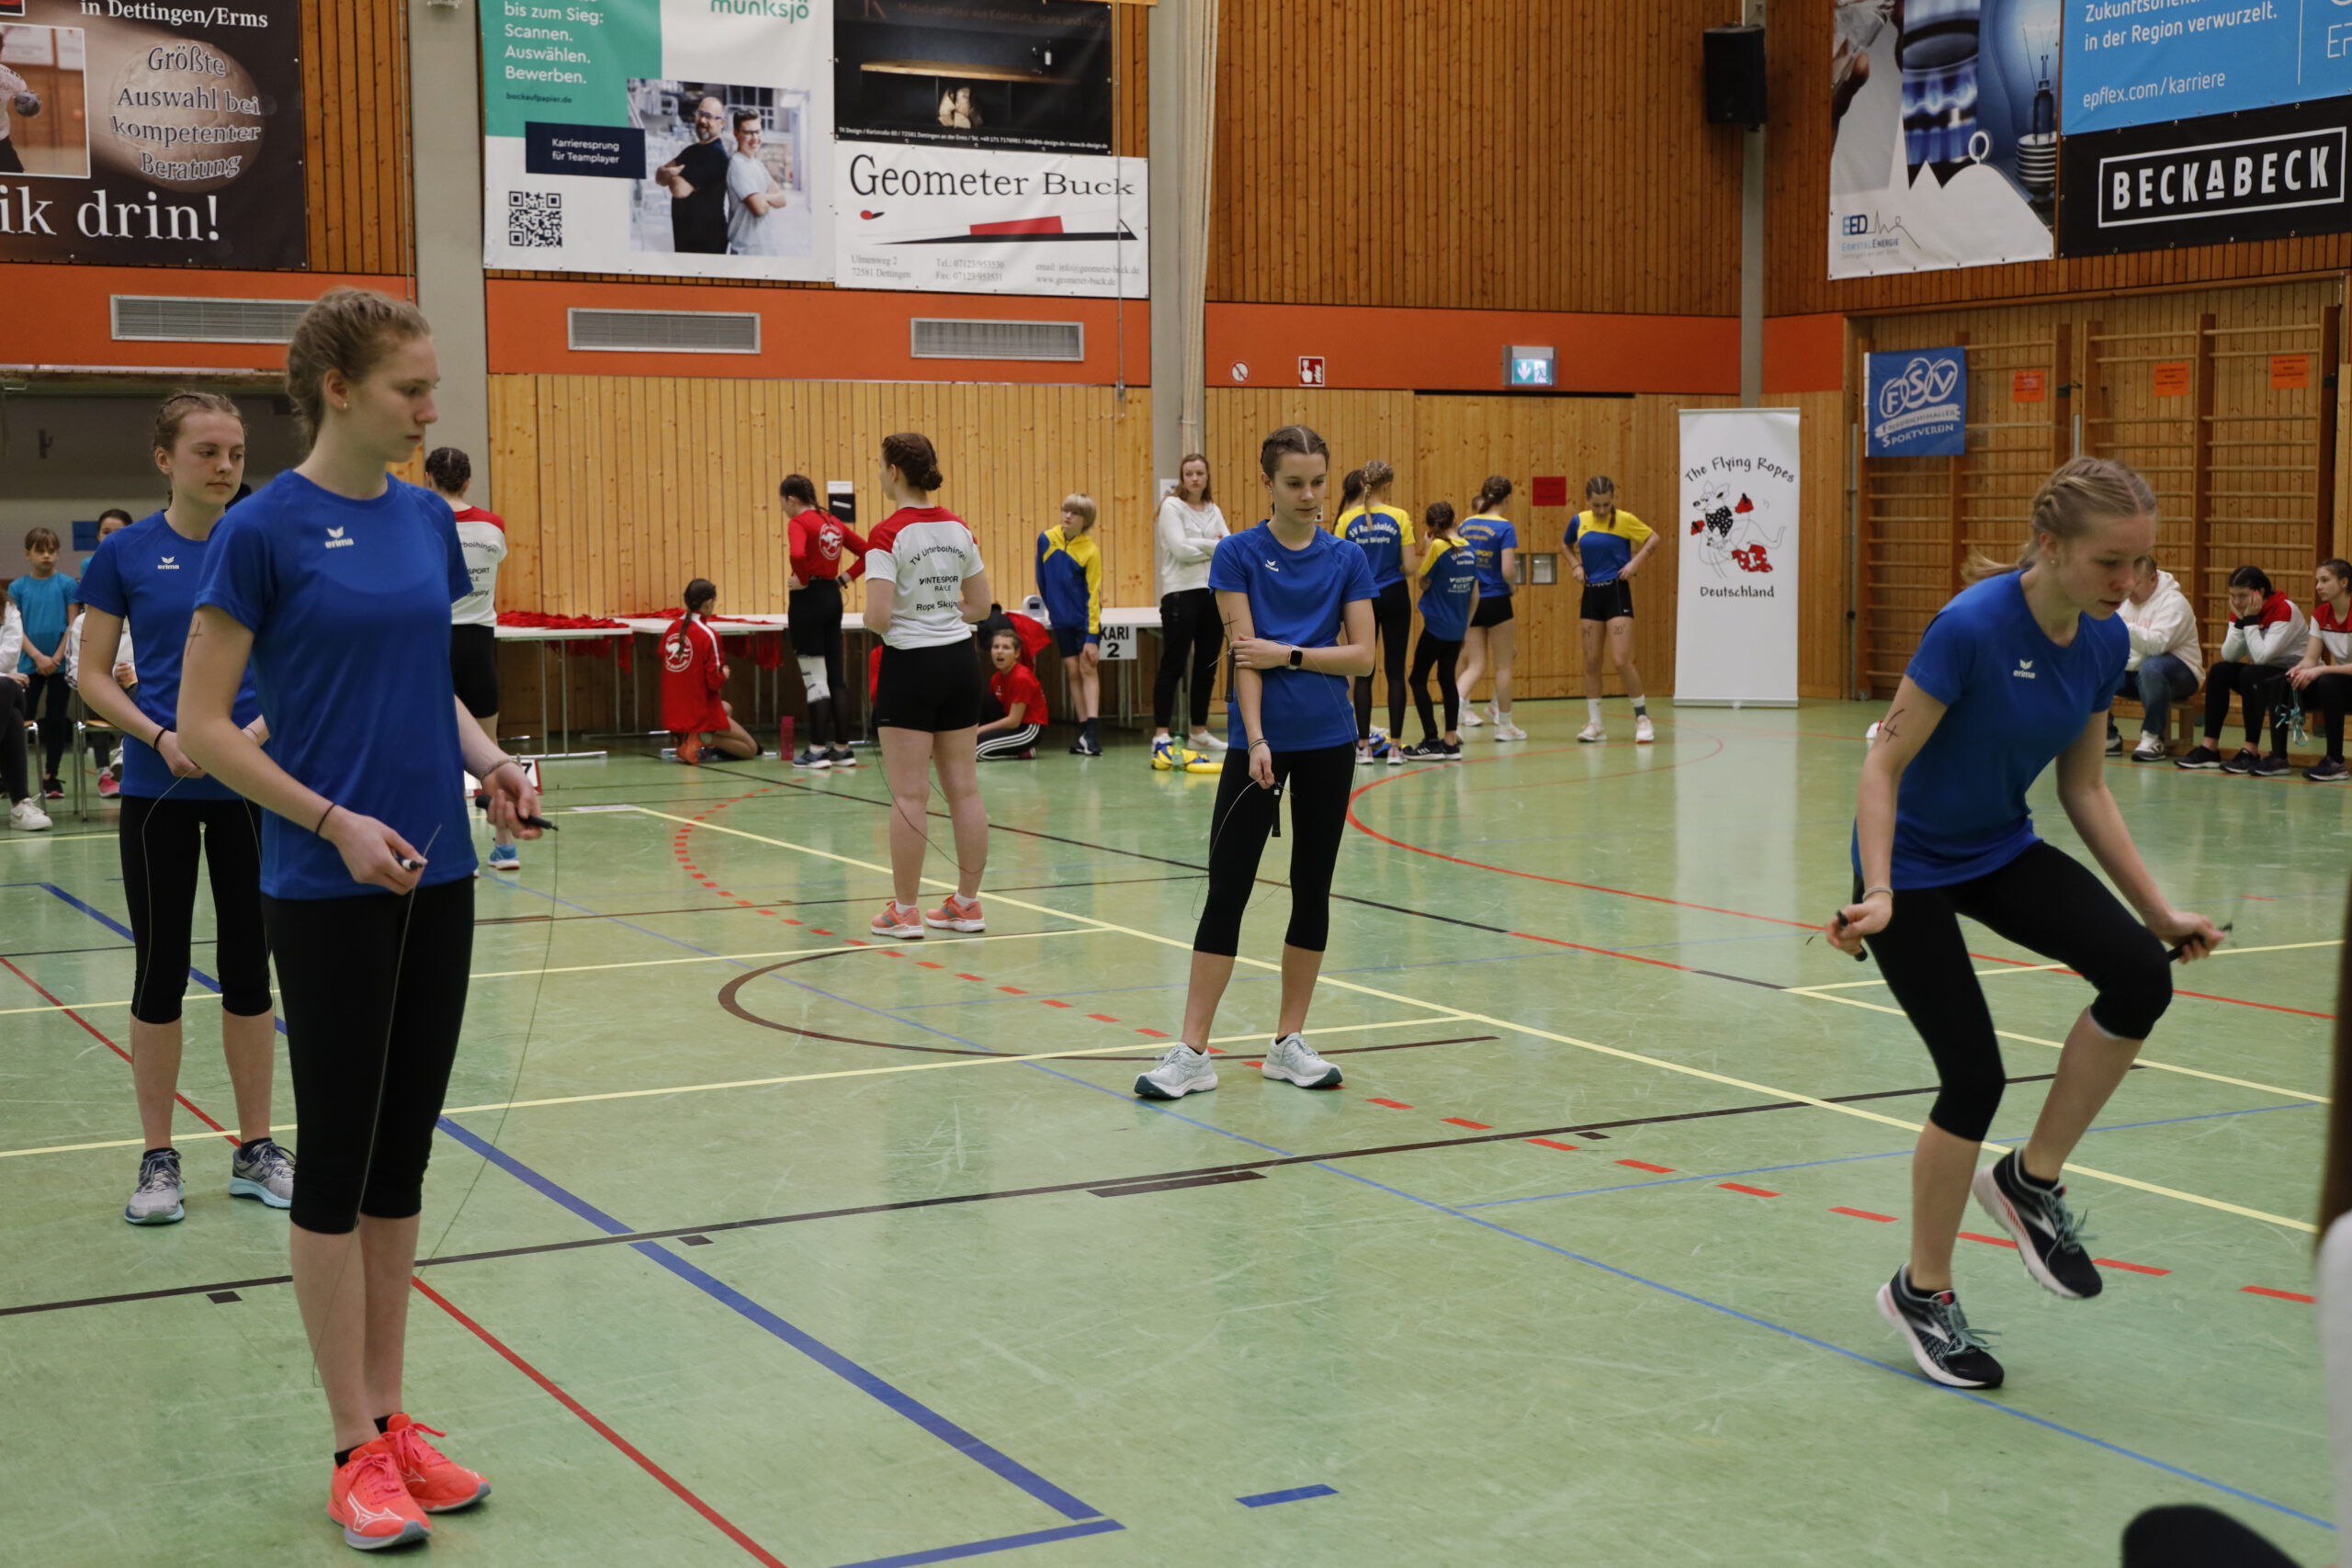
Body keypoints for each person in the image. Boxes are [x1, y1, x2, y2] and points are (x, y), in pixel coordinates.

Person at [179, 287, 542, 1550]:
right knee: (333, 1164)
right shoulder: (263, 531)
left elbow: (428, 683)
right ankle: (347, 1442)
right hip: (326, 886)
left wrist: (489, 761)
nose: (431, 408)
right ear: (339, 387)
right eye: (410, 388)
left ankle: (393, 1420)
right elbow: (207, 729)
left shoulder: (427, 522)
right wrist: (329, 817)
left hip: (436, 874)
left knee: (402, 1163)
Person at [1829, 457, 2224, 1392]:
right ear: (2049, 547)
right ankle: (1922, 1291)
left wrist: (2157, 911)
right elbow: (1880, 768)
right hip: (1912, 868)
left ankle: (2028, 1182)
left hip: (1998, 847)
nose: (2128, 585)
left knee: (2140, 974)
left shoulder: (2098, 642)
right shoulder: (1968, 628)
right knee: (1972, 1074)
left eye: (2140, 565)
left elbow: (2083, 787)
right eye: (2110, 564)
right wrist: (1878, 891)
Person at [76, 390, 290, 1226]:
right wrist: (162, 735)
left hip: (248, 789)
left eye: (235, 453)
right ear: (165, 460)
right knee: (159, 971)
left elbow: (288, 666)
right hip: (157, 786)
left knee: (250, 970)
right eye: (207, 452)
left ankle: (257, 1148)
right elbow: (93, 674)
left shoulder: (266, 547)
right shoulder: (125, 553)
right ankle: (158, 1157)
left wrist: (249, 739)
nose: (226, 468)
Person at [1134, 424, 1375, 1101]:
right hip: (1258, 744)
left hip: (1329, 738)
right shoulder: (1237, 554)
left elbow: (1363, 658)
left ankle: (1287, 1041)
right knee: (1228, 888)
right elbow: (1245, 656)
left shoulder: (1347, 559)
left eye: (1318, 482)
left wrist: (1291, 654)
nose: (1309, 495)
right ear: (1267, 483)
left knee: (1312, 886)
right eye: (1294, 483)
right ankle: (1191, 1050)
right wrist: (1259, 739)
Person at [862, 432, 993, 939]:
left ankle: (905, 911)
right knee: (964, 789)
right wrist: (941, 611)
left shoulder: (886, 534)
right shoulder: (959, 529)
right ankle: (967, 904)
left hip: (911, 668)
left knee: (910, 795)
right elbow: (980, 607)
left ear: (895, 471)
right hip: (961, 664)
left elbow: (876, 617)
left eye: (879, 465)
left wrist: (908, 615)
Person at [426, 446, 518, 870]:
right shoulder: (492, 526)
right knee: (490, 749)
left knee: (436, 752)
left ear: (429, 479)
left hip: (433, 644)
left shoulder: (423, 520)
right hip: (479, 646)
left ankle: (457, 852)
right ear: (467, 481)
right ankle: (504, 846)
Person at [2177, 565, 2306, 776]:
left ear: (2260, 592)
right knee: (2220, 670)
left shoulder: (2284, 609)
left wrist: (2251, 620)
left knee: (2251, 674)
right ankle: (2210, 747)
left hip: (2292, 676)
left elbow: (2263, 657)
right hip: (2264, 673)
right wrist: (2239, 621)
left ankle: (2250, 750)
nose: (2236, 602)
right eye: (2232, 596)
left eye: (2242, 596)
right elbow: (2230, 655)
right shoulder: (2242, 611)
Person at [1330, 458, 1418, 765]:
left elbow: (1338, 564)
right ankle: (1395, 748)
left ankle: (1363, 746)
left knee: (1362, 670)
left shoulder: (1346, 519)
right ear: (1388, 485)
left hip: (1360, 597)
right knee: (1395, 672)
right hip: (1394, 594)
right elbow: (1410, 567)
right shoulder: (1399, 517)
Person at [1566, 476, 1658, 745]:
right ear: (1588, 502)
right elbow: (1564, 545)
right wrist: (1576, 565)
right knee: (1592, 661)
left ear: (1613, 499)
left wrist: (1636, 563)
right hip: (1591, 594)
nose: (1602, 510)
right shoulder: (1579, 521)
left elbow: (1654, 539)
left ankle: (1642, 718)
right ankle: (1595, 724)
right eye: (1597, 506)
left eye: (1606, 505)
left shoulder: (1626, 520)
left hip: (1617, 592)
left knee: (1620, 660)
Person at [1150, 455, 1230, 768]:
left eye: (1200, 473)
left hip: (1212, 592)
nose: (1195, 478)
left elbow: (1230, 545)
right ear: (1182, 478)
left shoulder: (1214, 510)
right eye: (1189, 474)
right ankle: (1161, 732)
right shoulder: (1171, 507)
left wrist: (1207, 544)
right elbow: (1181, 550)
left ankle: (1199, 730)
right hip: (1180, 593)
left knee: (1207, 665)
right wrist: (1213, 544)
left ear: (1207, 477)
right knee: (1173, 663)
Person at [784, 473, 866, 770]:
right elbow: (868, 552)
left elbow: (796, 553)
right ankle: (843, 749)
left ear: (791, 499)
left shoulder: (799, 523)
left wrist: (803, 581)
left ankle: (817, 749)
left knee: (814, 677)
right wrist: (844, 578)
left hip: (809, 601)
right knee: (835, 675)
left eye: (784, 504)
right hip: (832, 596)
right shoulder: (832, 521)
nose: (785, 510)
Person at [1402, 502, 1480, 761]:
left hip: (1437, 626)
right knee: (1447, 679)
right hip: (1458, 627)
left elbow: (1423, 581)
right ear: (1456, 519)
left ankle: (1431, 740)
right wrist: (1465, 629)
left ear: (1430, 527)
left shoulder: (1438, 546)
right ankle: (1450, 740)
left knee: (1417, 679)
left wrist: (1425, 547)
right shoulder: (1469, 548)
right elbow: (1475, 595)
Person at [2107, 552, 2200, 762]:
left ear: (2153, 579)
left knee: (2152, 667)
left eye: (2135, 583)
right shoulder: (2124, 601)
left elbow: (2157, 645)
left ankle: (2152, 737)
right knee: (2095, 666)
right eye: (2125, 582)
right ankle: (2108, 737)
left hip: (2181, 674)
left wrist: (2122, 627)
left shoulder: (2174, 603)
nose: (2128, 588)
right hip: (2136, 671)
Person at [65, 510, 133, 795]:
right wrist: (101, 676)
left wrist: (132, 674)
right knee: (96, 688)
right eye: (106, 531)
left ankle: (127, 752)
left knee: (144, 687)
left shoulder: (141, 615)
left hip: (137, 687)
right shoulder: (83, 622)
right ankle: (106, 771)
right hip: (98, 690)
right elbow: (74, 672)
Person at [661, 579, 761, 766]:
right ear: (708, 603)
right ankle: (701, 737)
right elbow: (714, 682)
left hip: (674, 710)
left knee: (727, 708)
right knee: (750, 750)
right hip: (698, 712)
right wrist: (723, 673)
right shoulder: (708, 634)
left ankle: (688, 736)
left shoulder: (672, 629)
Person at [1454, 477, 1524, 740]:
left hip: (1470, 599)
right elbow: (1507, 569)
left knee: (1475, 664)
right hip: (1496, 599)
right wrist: (1513, 585)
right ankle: (1505, 726)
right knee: (1504, 665)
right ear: (1506, 499)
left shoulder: (1465, 524)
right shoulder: (1505, 527)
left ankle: (1454, 716)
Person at [13, 525, 80, 799]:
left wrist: (56, 657)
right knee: (20, 720)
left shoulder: (67, 584)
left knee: (55, 719)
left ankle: (52, 777)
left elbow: (73, 624)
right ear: (28, 554)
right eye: (40, 551)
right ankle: (11, 780)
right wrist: (38, 657)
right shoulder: (18, 587)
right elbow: (17, 630)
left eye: (52, 551)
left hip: (59, 664)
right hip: (30, 666)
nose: (47, 556)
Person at [1036, 493, 1104, 756]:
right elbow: (1041, 580)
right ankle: (1085, 733)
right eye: (1066, 510)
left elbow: (1094, 594)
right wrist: (1054, 610)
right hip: (1061, 620)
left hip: (1084, 621)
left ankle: (1093, 733)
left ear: (1085, 520)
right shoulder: (1047, 540)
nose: (1068, 516)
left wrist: (1091, 635)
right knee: (1073, 671)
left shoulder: (1090, 551)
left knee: (1088, 669)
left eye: (1074, 513)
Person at [2289, 558, 2352, 784]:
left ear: (2344, 582)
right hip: (2344, 681)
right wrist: (2298, 671)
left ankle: (2335, 760)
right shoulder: (2320, 614)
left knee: (2328, 682)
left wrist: (2321, 671)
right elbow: (2310, 659)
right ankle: (2276, 757)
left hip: (2343, 680)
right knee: (2284, 681)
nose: (2318, 587)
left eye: (2324, 580)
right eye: (2317, 581)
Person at [653, 95, 731, 255]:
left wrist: (669, 174)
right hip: (685, 240)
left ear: (721, 123)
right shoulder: (691, 150)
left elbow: (679, 190)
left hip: (707, 244)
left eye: (708, 117)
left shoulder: (716, 154)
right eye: (700, 114)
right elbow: (659, 177)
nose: (702, 121)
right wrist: (671, 172)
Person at [0, 597, 50, 830]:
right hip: (6, 693)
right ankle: (20, 804)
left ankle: (21, 806)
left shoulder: (7, 608)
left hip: (6, 690)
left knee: (7, 689)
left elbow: (9, 656)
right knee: (12, 717)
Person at [977, 627, 1046, 760]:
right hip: (1010, 723)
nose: (999, 652)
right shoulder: (996, 678)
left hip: (1027, 729)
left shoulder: (1022, 677)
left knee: (976, 751)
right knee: (982, 698)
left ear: (1017, 653)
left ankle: (1022, 751)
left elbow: (1014, 721)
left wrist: (980, 730)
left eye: (1006, 648)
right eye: (996, 647)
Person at [725, 110, 786, 257]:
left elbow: (782, 200)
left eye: (758, 132)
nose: (755, 138)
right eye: (748, 133)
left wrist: (761, 196)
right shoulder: (737, 165)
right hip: (746, 252)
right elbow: (760, 209)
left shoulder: (757, 165)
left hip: (765, 248)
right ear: (736, 133)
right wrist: (767, 199)